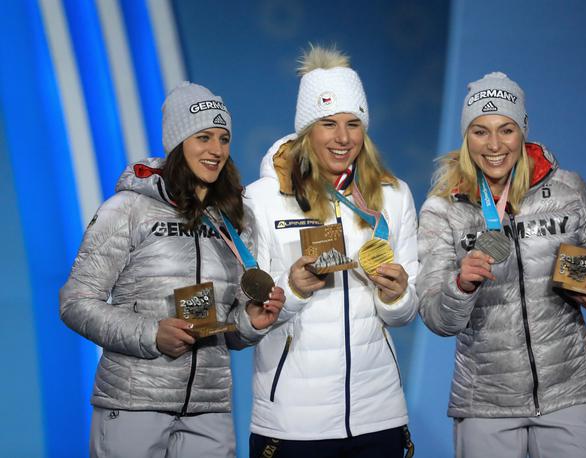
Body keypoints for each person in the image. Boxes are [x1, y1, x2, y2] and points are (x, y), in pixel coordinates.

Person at [60, 82, 285, 458]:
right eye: (203, 137)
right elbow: (76, 302)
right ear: (179, 142)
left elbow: (227, 327)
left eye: (224, 138)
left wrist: (250, 322)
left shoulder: (234, 219)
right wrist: (151, 334)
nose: (216, 150)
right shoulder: (128, 209)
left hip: (208, 410)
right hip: (134, 402)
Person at [417, 72, 586, 458]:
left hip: (569, 391)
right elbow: (436, 317)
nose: (494, 145)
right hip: (486, 401)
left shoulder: (568, 190)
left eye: (506, 129)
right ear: (465, 136)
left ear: (522, 130)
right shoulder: (442, 209)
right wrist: (460, 286)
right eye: (480, 131)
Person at [244, 45, 418, 457]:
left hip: (378, 413)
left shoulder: (393, 196)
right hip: (292, 421)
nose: (343, 138)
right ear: (307, 131)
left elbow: (407, 312)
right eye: (329, 123)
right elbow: (244, 317)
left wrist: (396, 296)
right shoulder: (262, 199)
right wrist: (293, 290)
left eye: (354, 123)